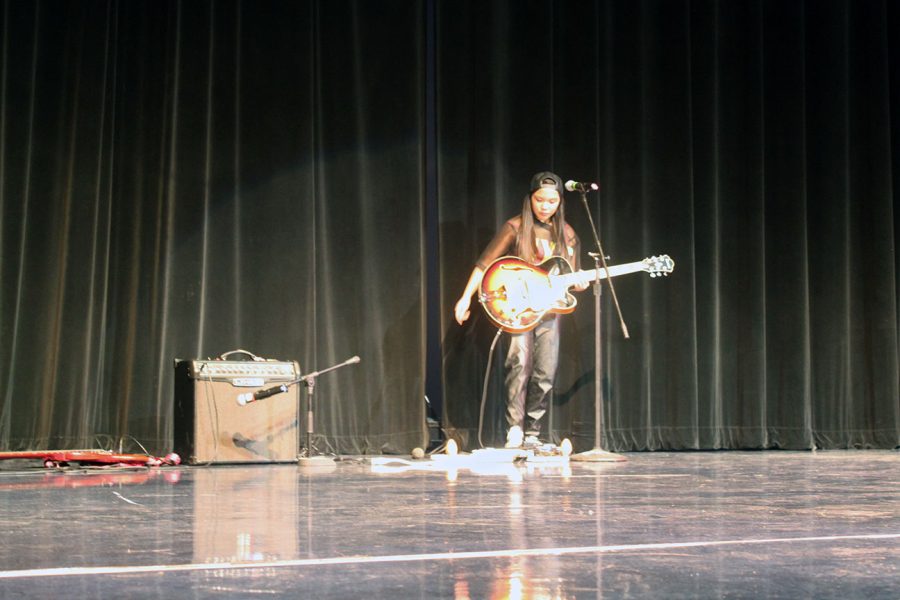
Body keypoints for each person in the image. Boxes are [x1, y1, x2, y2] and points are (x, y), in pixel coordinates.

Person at [454, 171, 584, 448]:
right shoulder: (515, 227)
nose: (545, 206)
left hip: (549, 311)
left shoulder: (568, 234)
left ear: (560, 203)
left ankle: (533, 433)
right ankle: (514, 428)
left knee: (545, 371)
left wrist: (581, 281)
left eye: (552, 201)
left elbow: (573, 278)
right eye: (540, 200)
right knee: (519, 364)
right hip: (518, 310)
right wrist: (465, 298)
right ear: (530, 199)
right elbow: (484, 264)